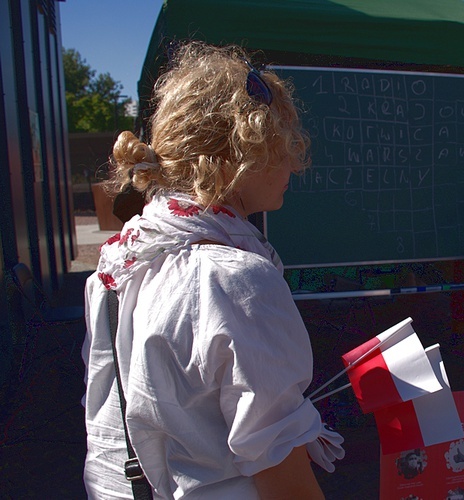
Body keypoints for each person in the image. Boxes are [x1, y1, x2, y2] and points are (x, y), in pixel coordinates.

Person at [81, 41, 343, 498]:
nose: (293, 165)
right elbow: (279, 469)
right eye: (279, 145)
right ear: (237, 155)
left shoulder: (118, 263)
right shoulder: (235, 280)